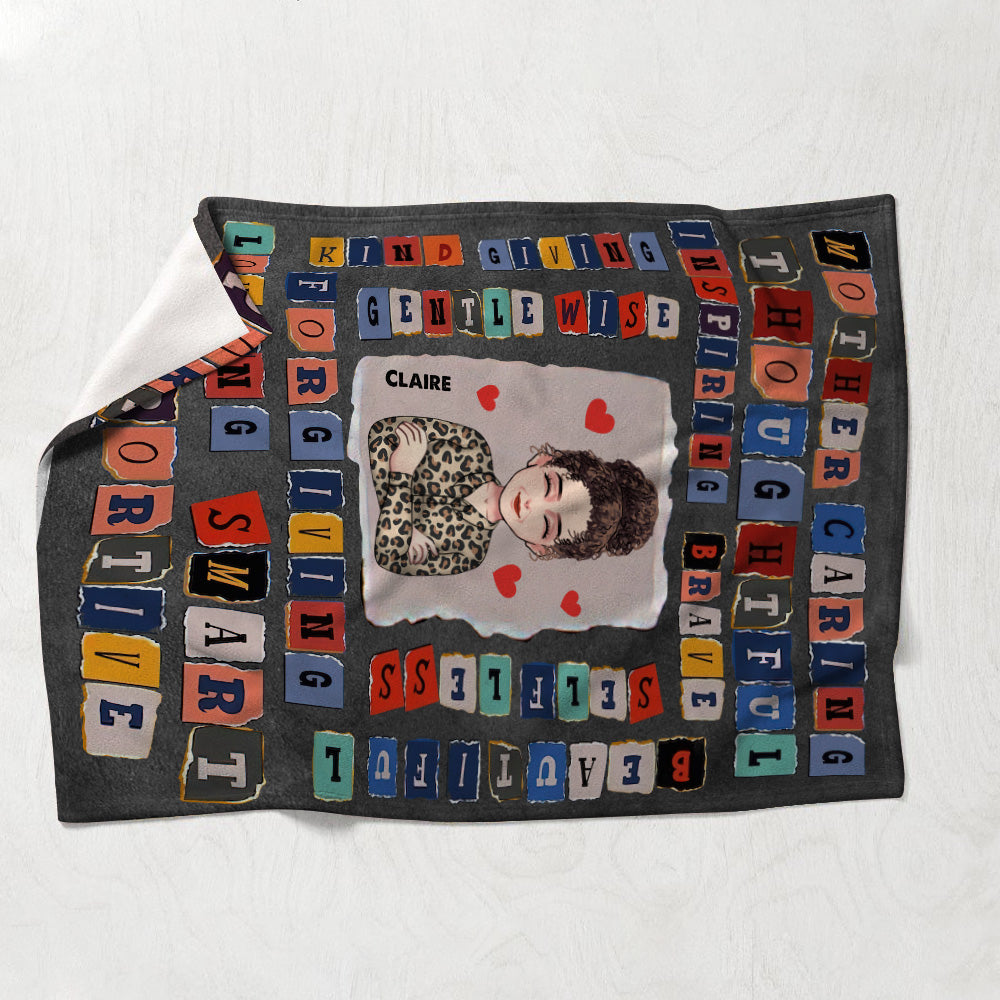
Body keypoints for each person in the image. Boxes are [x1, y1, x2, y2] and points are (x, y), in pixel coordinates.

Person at [367, 415, 658, 576]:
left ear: (540, 548)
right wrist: (400, 526)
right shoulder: (471, 446)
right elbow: (380, 434)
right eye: (548, 486)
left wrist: (401, 476)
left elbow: (385, 556)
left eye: (548, 525)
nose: (532, 505)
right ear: (543, 460)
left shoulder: (469, 553)